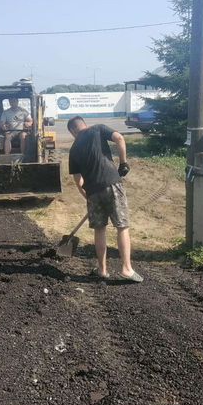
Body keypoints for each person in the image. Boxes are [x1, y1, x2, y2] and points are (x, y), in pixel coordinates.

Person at [67, 116, 143, 283]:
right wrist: (123, 163)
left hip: (93, 192)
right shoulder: (97, 129)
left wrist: (87, 196)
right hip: (112, 184)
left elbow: (77, 180)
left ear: (73, 131)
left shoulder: (73, 150)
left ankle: (102, 270)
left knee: (99, 230)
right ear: (83, 124)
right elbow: (119, 138)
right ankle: (126, 269)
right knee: (122, 226)